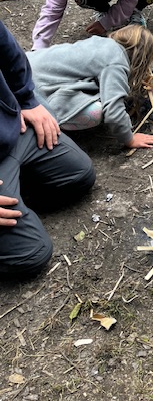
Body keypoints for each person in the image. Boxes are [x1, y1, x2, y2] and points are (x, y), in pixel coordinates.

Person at [0, 20, 95, 279]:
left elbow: (7, 49)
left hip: (12, 130)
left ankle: (15, 195)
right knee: (32, 254)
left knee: (80, 175)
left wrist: (26, 99)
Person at [27, 26, 153, 150]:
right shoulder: (116, 62)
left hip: (25, 66)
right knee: (96, 111)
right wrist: (129, 139)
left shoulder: (100, 42)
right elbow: (113, 111)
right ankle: (52, 125)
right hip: (34, 90)